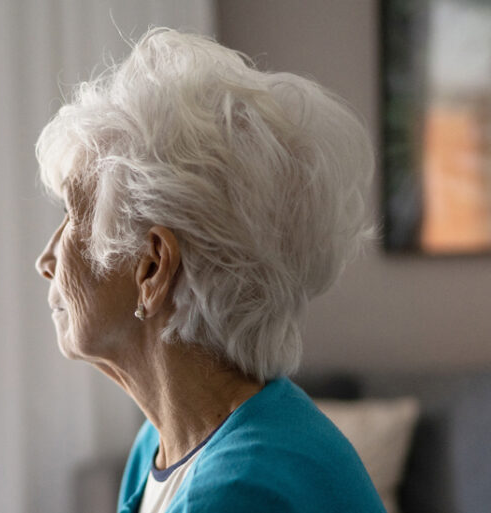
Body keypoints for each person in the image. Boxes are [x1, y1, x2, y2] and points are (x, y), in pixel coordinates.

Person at [34, 28, 385, 513]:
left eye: (73, 217)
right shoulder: (162, 445)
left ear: (153, 268)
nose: (46, 261)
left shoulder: (238, 493)